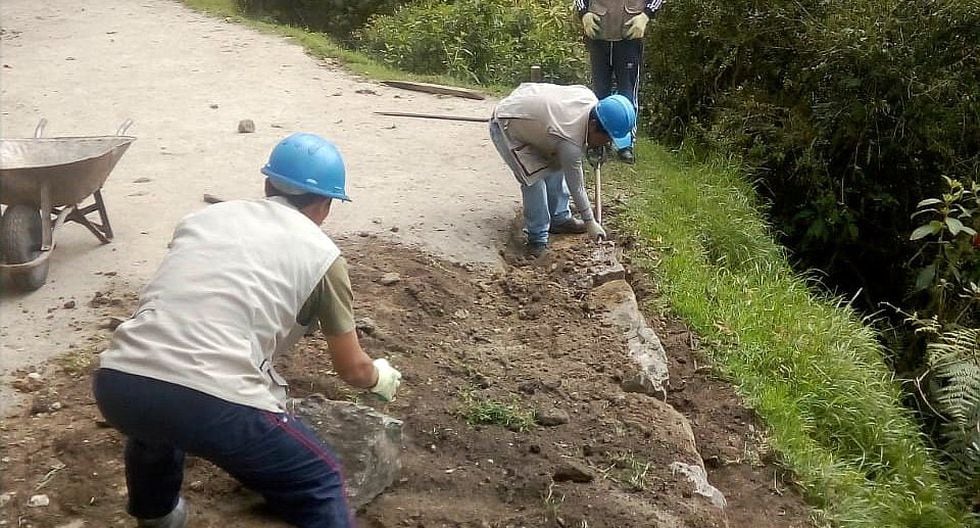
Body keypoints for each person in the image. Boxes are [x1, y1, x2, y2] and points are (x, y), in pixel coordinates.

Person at [92, 132, 403, 528]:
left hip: (120, 382)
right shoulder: (323, 257)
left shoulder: (204, 219)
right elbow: (352, 369)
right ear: (326, 205)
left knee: (158, 416)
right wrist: (379, 377)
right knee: (319, 477)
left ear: (268, 185)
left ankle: (158, 517)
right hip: (213, 401)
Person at [489, 83, 636, 257]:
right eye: (607, 138)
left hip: (535, 120)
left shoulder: (591, 101)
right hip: (507, 124)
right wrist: (590, 221)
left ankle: (558, 218)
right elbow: (577, 186)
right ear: (593, 125)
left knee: (557, 162)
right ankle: (537, 238)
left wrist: (595, 145)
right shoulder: (569, 139)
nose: (608, 143)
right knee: (534, 180)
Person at [575, 0, 664, 164]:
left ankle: (625, 144)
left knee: (627, 92)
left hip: (629, 36)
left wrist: (646, 15)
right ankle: (598, 142)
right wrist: (584, 13)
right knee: (599, 93)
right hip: (599, 34)